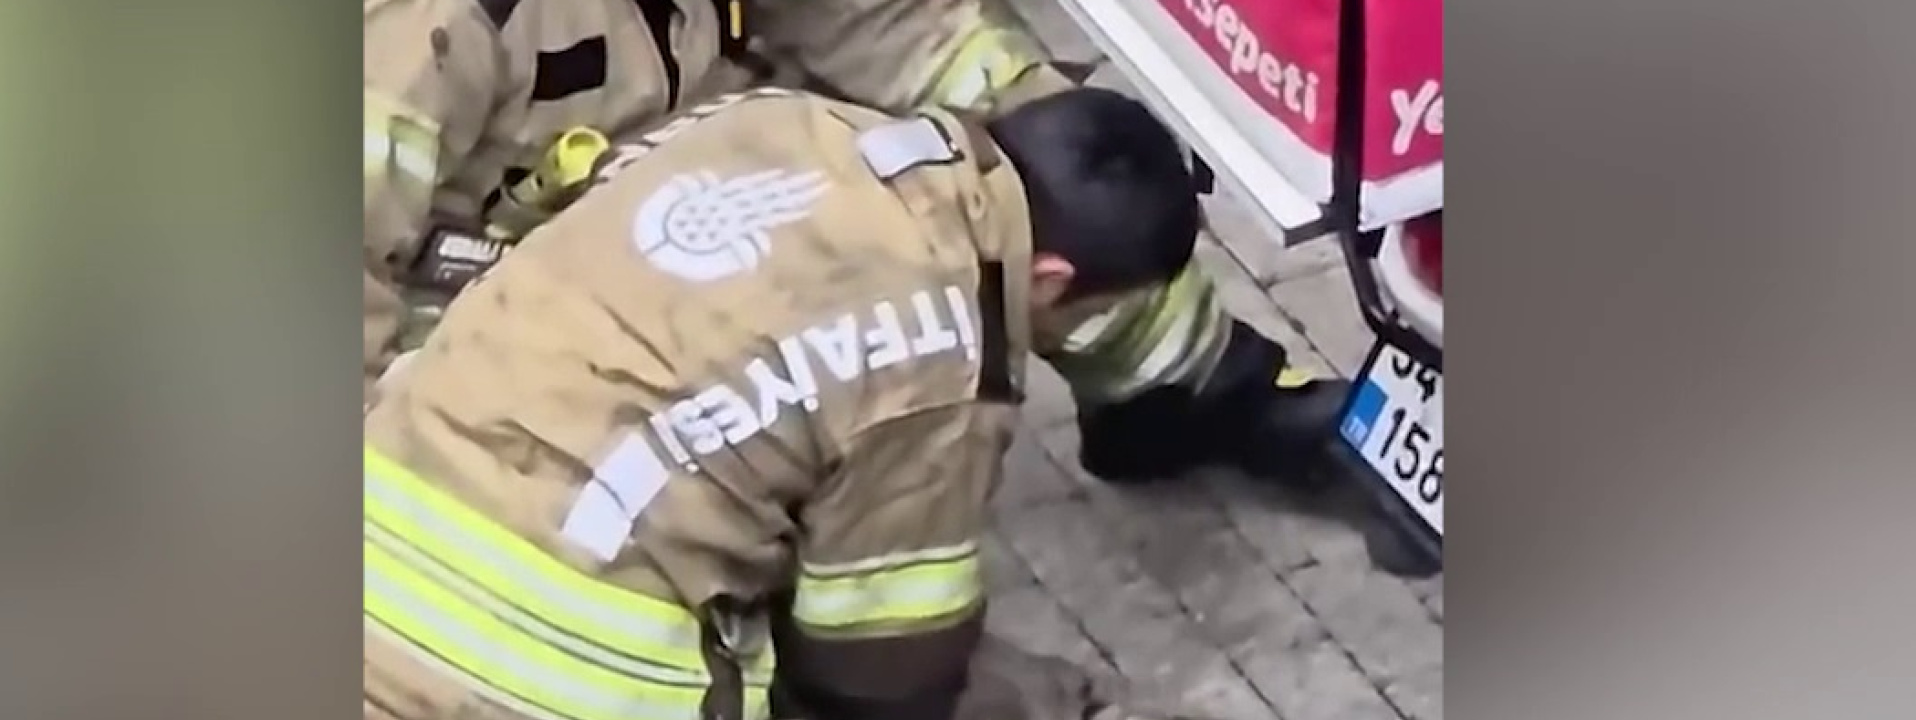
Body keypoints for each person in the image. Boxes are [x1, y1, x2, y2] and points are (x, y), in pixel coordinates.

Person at [363, 85, 1201, 720]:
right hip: (541, 663)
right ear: (1053, 277)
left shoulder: (774, 119)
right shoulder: (948, 355)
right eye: (1091, 315)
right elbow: (873, 657)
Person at [364, 0, 1352, 508]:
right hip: (457, 305)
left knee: (1047, 163)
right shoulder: (420, 29)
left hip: (674, 173)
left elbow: (890, 24)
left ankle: (1177, 389)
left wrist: (1039, 134)